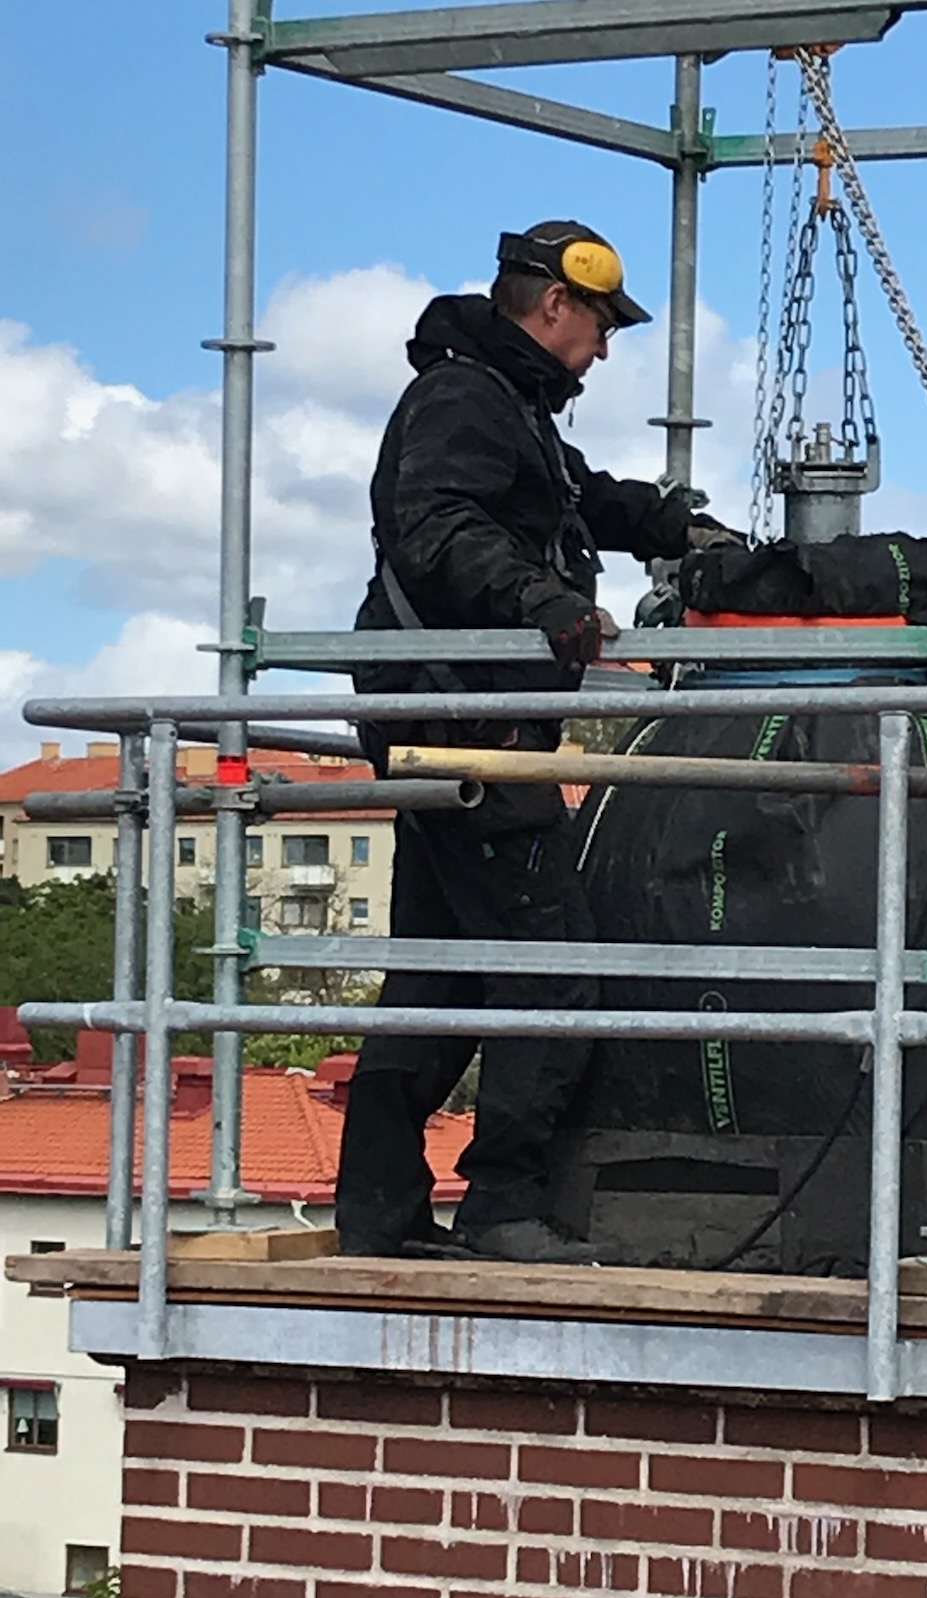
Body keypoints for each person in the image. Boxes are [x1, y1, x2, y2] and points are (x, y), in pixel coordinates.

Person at [334, 220, 732, 1261]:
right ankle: (505, 1205)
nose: (603, 350)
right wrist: (543, 601)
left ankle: (377, 1213)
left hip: (452, 723)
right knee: (556, 965)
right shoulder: (466, 399)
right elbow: (433, 524)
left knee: (443, 970)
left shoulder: (504, 403)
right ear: (554, 304)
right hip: (467, 730)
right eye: (599, 326)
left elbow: (576, 501)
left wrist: (675, 526)